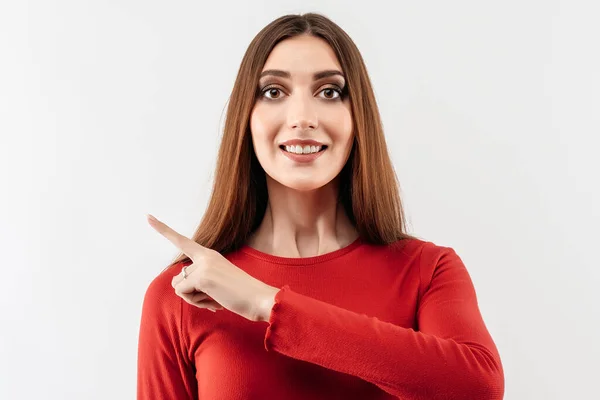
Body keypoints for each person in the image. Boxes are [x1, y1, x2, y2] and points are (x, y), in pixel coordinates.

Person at [137, 12, 505, 400]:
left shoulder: (426, 271)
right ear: (246, 118)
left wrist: (266, 303)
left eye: (329, 92)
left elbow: (477, 389)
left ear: (358, 116)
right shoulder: (183, 293)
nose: (302, 119)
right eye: (274, 92)